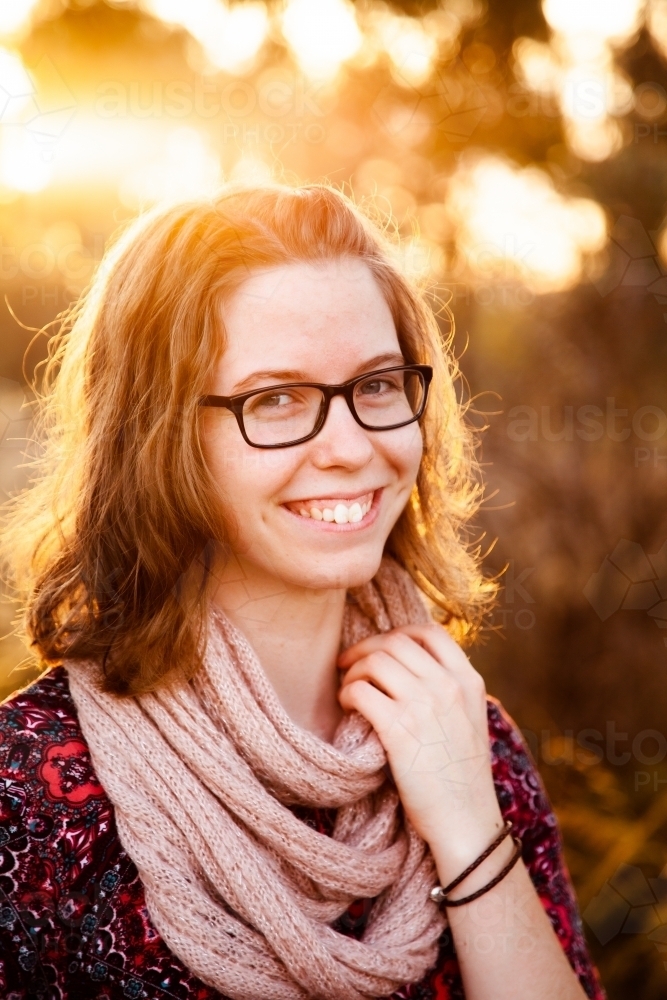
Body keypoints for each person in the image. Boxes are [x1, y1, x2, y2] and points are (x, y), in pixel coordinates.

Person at [0, 184, 604, 1000]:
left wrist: (466, 822)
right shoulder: (28, 789)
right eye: (275, 399)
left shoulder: (464, 733)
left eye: (379, 384)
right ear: (158, 434)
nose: (352, 446)